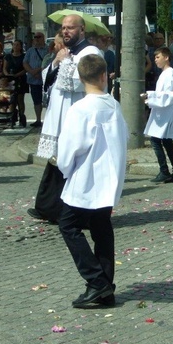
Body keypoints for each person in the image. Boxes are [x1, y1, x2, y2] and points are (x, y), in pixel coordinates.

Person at [56, 54, 128, 309]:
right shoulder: (114, 105)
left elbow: (69, 149)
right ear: (103, 76)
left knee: (68, 225)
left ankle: (97, 281)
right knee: (101, 228)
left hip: (86, 178)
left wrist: (65, 170)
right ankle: (105, 286)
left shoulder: (81, 109)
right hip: (109, 179)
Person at [28, 14, 102, 223]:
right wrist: (56, 61)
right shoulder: (65, 52)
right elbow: (47, 80)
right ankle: (49, 208)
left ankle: (75, 212)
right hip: (59, 113)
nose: (66, 31)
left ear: (82, 30)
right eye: (64, 28)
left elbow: (78, 83)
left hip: (76, 114)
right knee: (57, 160)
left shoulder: (90, 52)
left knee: (73, 163)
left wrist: (66, 62)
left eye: (71, 27)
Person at [142, 47, 173, 183]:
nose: (155, 60)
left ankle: (164, 170)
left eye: (158, 57)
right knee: (166, 141)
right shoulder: (165, 74)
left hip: (166, 113)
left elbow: (171, 95)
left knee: (155, 140)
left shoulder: (170, 74)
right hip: (161, 112)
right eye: (154, 57)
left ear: (166, 57)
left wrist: (151, 95)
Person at [23, 32, 47, 127]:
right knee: (36, 101)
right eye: (35, 37)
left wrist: (37, 71)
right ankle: (38, 119)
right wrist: (31, 72)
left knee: (48, 100)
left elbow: (50, 62)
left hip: (45, 80)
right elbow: (25, 62)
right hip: (33, 80)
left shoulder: (48, 50)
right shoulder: (30, 50)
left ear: (43, 38)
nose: (37, 39)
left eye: (39, 37)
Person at [4, 39, 28, 127]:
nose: (15, 46)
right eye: (14, 45)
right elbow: (4, 68)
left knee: (20, 99)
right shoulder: (8, 56)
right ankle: (13, 116)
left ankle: (22, 116)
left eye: (17, 45)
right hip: (10, 80)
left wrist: (17, 74)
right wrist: (7, 75)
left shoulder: (24, 56)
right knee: (11, 99)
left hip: (20, 79)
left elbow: (26, 68)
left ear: (21, 47)